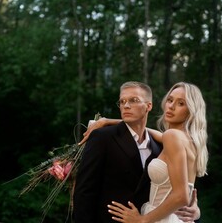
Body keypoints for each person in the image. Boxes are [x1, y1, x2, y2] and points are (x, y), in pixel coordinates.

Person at [73, 81, 201, 223]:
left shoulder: (165, 143)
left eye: (181, 103)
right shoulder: (103, 138)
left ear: (149, 106)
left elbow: (181, 195)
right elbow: (84, 193)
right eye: (170, 100)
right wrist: (108, 121)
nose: (171, 106)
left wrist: (142, 220)